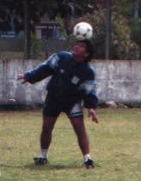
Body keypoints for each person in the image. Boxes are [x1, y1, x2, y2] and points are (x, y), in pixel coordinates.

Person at [17, 39, 99, 169]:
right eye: (77, 44)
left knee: (80, 129)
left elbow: (90, 90)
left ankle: (87, 158)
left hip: (72, 102)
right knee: (46, 128)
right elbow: (45, 68)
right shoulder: (61, 57)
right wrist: (30, 76)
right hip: (54, 98)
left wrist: (91, 107)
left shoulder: (88, 71)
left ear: (87, 54)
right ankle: (43, 156)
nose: (77, 46)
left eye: (82, 46)